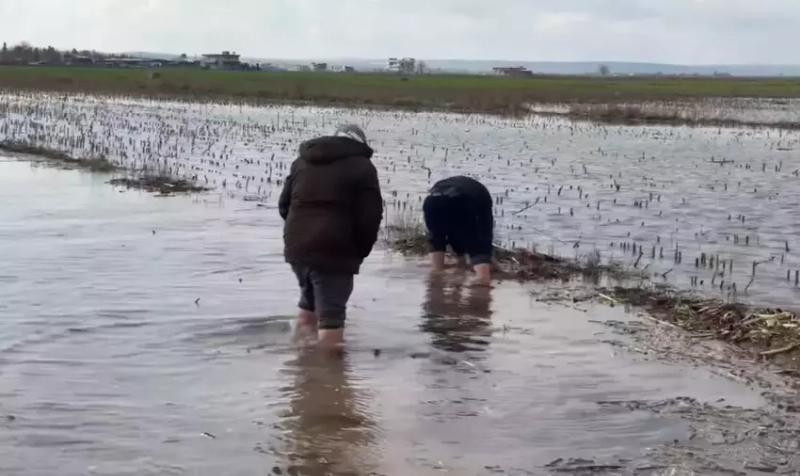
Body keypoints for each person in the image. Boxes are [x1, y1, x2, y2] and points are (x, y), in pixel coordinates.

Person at [278, 124, 383, 347]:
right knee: (332, 317)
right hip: (335, 248)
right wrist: (358, 251)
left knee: (309, 303)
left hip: (297, 247)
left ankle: (302, 362)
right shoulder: (362, 167)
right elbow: (370, 217)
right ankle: (328, 376)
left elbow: (284, 205)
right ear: (360, 145)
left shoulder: (301, 162)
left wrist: (298, 233)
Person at [422, 175, 494, 286]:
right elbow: (485, 229)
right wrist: (485, 255)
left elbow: (453, 229)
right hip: (462, 199)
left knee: (436, 236)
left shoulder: (474, 190)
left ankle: (437, 272)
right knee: (477, 244)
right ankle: (483, 280)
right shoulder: (483, 197)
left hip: (432, 200)